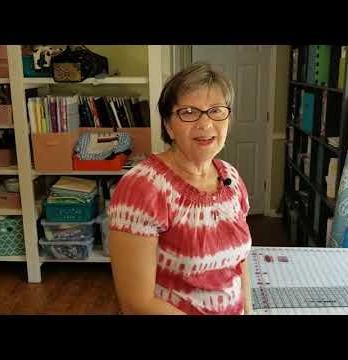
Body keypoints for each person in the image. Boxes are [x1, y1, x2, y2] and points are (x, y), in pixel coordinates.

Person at [108, 62, 253, 315]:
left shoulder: (231, 178)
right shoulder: (142, 188)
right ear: (168, 125)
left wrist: (249, 311)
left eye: (216, 111)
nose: (205, 124)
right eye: (188, 112)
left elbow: (239, 263)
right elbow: (136, 303)